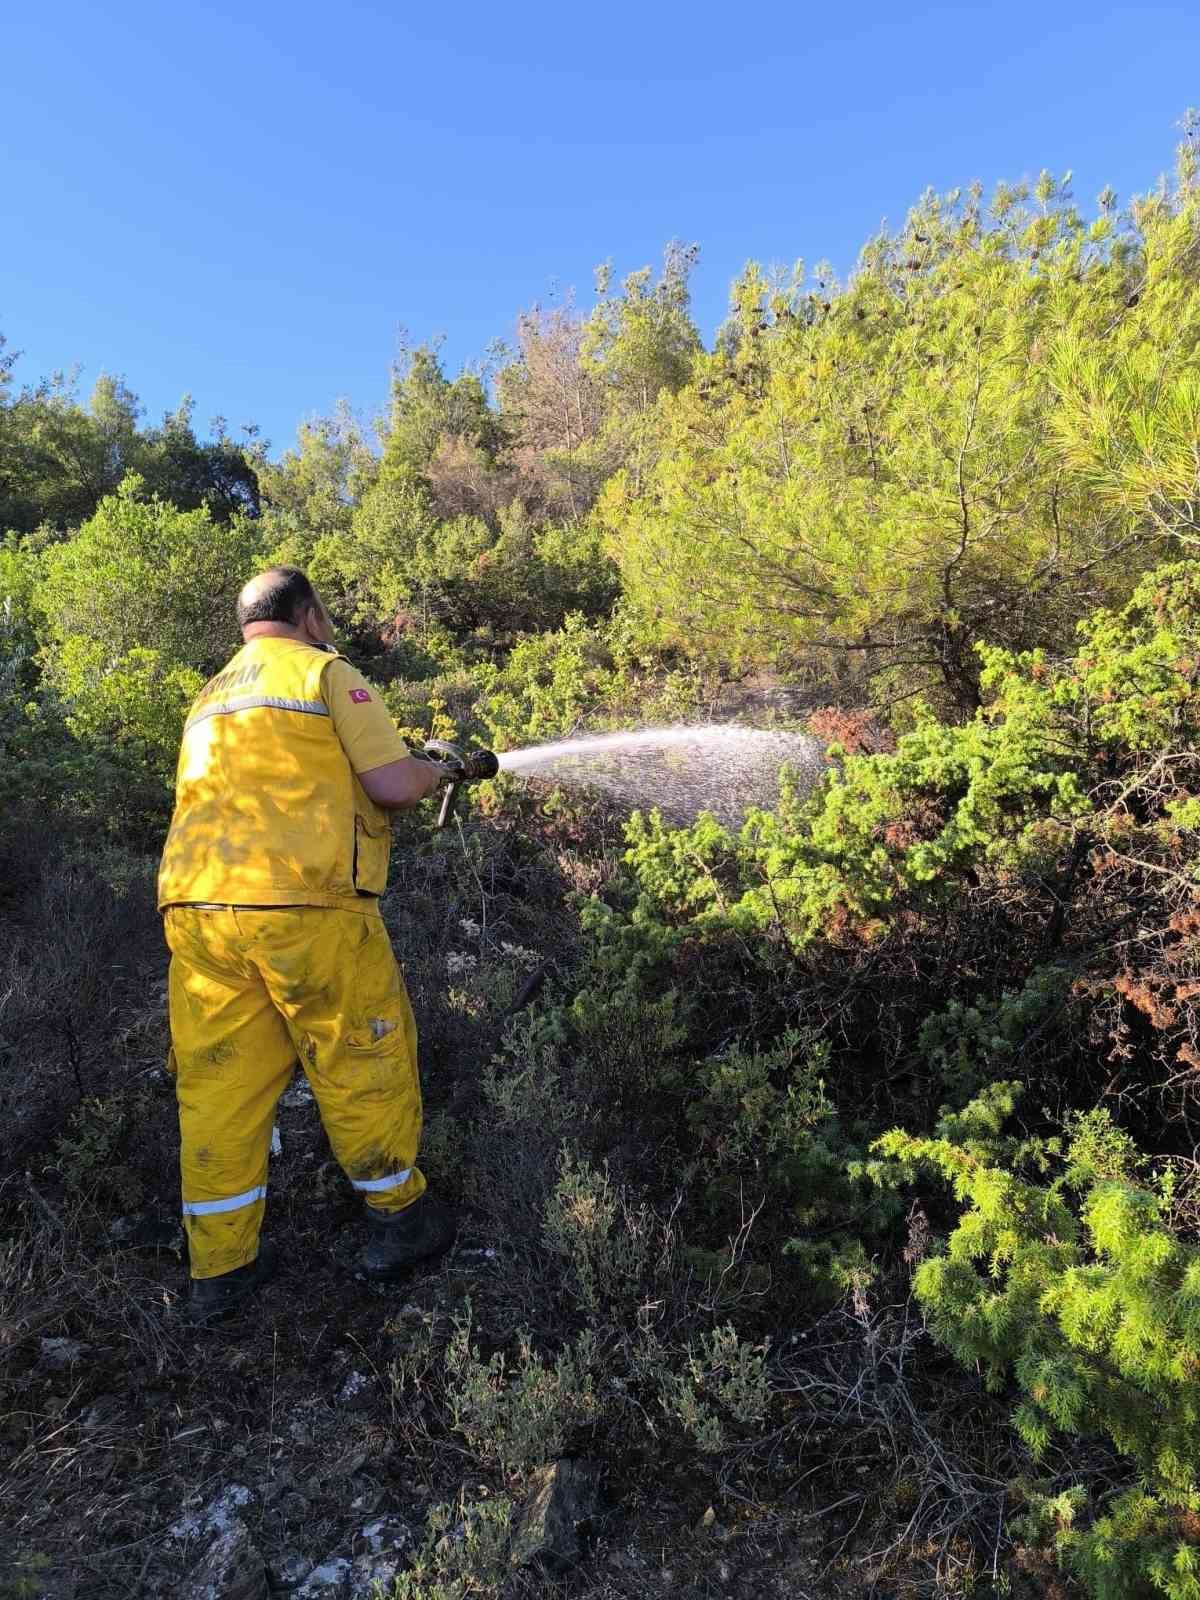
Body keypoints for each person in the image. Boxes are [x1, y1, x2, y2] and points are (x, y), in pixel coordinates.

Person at [158, 565, 449, 1325]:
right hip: (301, 905)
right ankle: (401, 1220)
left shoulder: (209, 696)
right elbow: (390, 784)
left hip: (198, 909)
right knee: (360, 1055)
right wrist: (440, 765)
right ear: (310, 614)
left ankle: (218, 1270)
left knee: (220, 1084)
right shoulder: (324, 671)